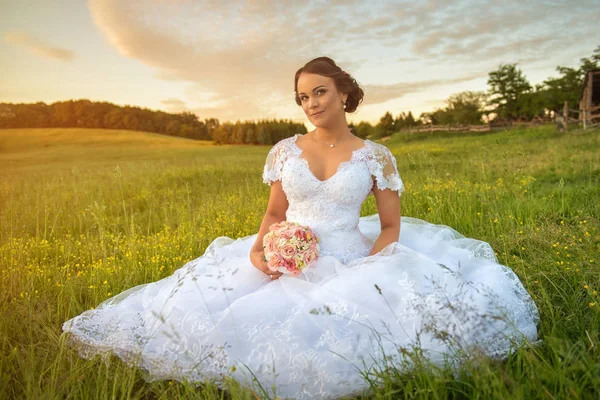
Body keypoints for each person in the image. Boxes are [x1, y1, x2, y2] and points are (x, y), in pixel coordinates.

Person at [63, 57, 539, 400]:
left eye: (319, 91)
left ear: (344, 93)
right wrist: (259, 253)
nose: (310, 103)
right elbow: (275, 215)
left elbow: (391, 225)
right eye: (302, 96)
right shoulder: (285, 150)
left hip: (353, 253)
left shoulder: (376, 155)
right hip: (287, 254)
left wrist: (372, 269)